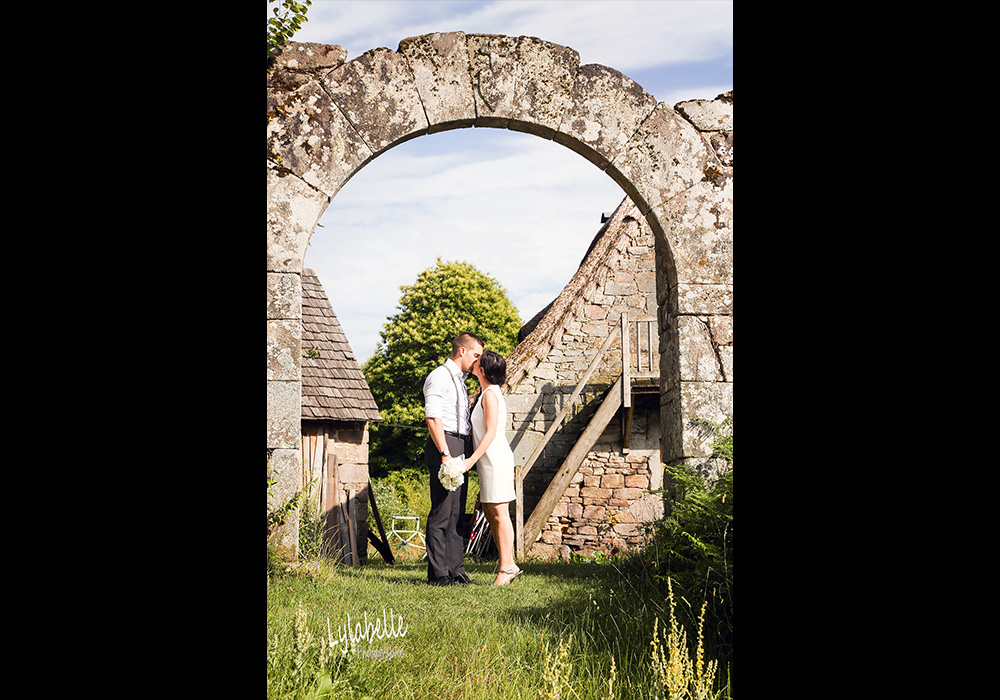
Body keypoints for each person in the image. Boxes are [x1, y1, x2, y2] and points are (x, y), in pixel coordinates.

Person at [423, 332, 484, 586]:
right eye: (476, 355)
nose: (478, 361)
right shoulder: (439, 376)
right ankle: (438, 575)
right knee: (442, 511)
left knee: (457, 512)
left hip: (461, 443)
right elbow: (433, 418)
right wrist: (445, 453)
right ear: (462, 351)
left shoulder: (461, 381)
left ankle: (456, 571)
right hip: (444, 444)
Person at [464, 350, 522, 586]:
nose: (474, 362)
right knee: (489, 512)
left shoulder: (490, 395)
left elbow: (490, 434)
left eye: (478, 361)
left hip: (495, 459)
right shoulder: (486, 392)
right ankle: (508, 562)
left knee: (499, 513)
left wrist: (470, 460)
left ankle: (506, 567)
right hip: (488, 462)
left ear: (483, 370)